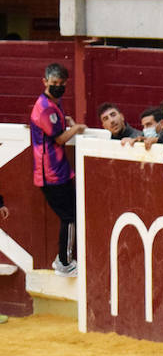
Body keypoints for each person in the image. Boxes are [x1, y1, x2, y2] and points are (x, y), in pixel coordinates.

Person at [29, 63, 84, 276]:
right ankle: (64, 262)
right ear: (44, 82)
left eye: (62, 84)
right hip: (50, 173)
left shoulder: (52, 103)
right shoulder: (45, 108)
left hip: (57, 170)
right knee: (69, 216)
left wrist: (68, 122)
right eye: (54, 84)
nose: (58, 87)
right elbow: (60, 138)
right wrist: (76, 128)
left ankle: (63, 258)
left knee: (69, 214)